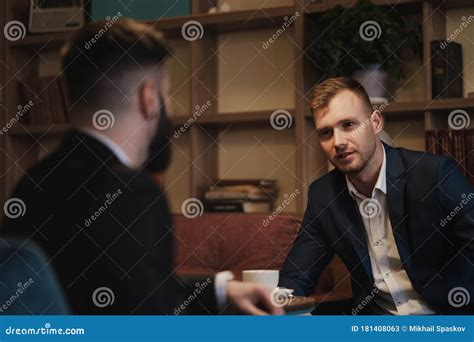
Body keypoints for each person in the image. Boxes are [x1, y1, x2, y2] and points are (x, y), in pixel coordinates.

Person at [2, 18, 282, 316]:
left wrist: (221, 290)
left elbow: (122, 291)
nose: (168, 108)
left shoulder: (32, 182)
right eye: (167, 95)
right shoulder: (132, 192)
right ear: (149, 98)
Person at [279, 77, 474, 314]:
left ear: (376, 122)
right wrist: (278, 309)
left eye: (349, 125)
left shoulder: (434, 174)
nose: (338, 142)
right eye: (326, 133)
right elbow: (297, 276)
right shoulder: (324, 195)